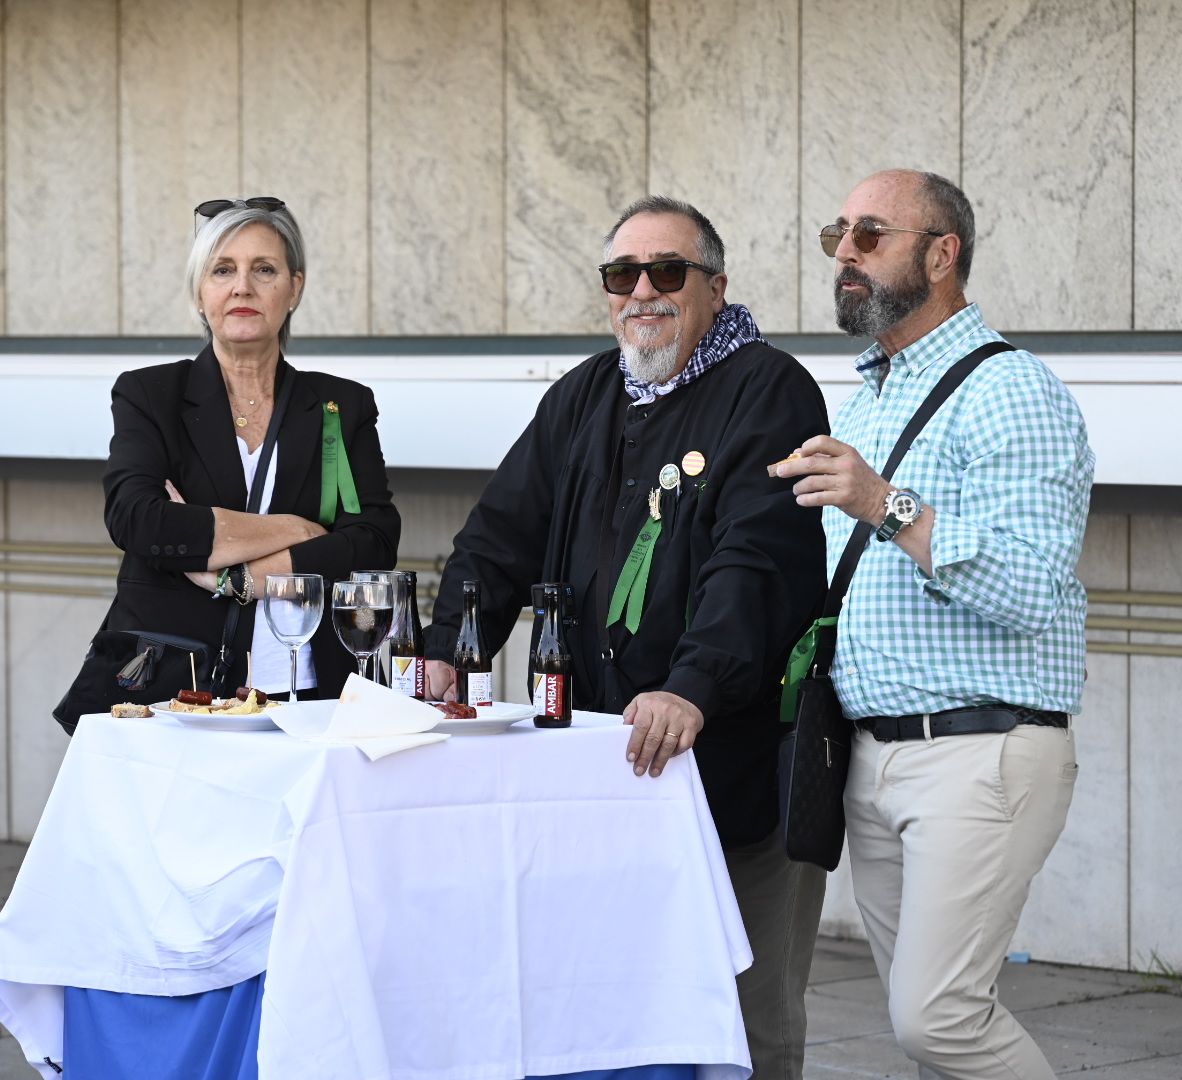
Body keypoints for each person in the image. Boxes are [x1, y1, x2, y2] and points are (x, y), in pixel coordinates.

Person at [423, 196, 830, 1078]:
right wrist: (447, 654)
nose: (642, 291)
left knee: (742, 1022)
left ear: (715, 288)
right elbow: (498, 537)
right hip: (591, 779)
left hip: (727, 771)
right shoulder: (583, 395)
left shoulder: (771, 389)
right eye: (622, 275)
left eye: (667, 272)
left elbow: (757, 558)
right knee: (601, 1017)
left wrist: (694, 686)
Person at [774, 169, 1093, 1079]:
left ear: (942, 254)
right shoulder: (868, 394)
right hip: (873, 759)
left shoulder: (1011, 390)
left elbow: (1033, 587)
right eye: (838, 233)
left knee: (939, 1020)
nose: (844, 252)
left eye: (871, 235)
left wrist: (885, 501)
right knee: (937, 1036)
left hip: (978, 752)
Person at [97, 197, 401, 705]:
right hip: (181, 683)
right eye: (223, 269)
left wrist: (239, 578)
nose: (242, 286)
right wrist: (296, 531)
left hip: (310, 684)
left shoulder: (341, 404)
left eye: (264, 269)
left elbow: (374, 538)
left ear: (294, 289)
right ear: (200, 292)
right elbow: (138, 520)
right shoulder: (149, 394)